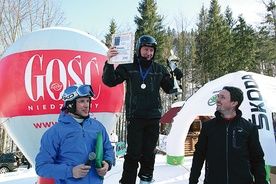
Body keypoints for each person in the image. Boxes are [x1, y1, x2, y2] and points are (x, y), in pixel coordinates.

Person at [102, 35, 183, 184]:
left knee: (149, 153)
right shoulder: (128, 66)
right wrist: (109, 62)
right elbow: (109, 81)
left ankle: (146, 179)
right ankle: (127, 181)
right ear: (139, 49)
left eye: (151, 50)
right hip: (135, 117)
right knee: (133, 154)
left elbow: (171, 89)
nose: (149, 53)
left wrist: (177, 77)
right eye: (146, 49)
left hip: (153, 117)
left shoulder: (159, 69)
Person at [35, 84, 114, 184]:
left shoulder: (98, 127)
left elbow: (108, 149)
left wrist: (107, 163)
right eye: (81, 101)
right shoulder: (54, 133)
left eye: (88, 101)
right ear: (70, 104)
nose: (86, 105)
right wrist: (71, 171)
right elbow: (41, 167)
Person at [189, 86, 268, 184]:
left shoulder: (249, 128)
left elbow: (257, 159)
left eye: (222, 97)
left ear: (234, 103)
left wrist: (261, 181)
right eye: (218, 96)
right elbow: (199, 156)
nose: (218, 100)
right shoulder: (208, 127)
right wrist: (192, 181)